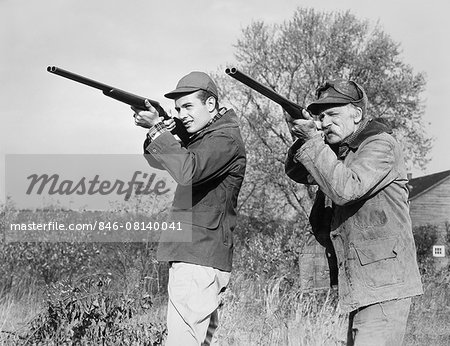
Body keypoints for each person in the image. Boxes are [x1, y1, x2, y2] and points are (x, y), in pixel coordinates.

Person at [284, 79, 423, 345]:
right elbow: (297, 171)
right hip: (366, 284)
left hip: (384, 285)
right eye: (320, 116)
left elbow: (345, 189)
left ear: (357, 114)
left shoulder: (380, 145)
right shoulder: (341, 151)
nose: (324, 122)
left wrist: (313, 141)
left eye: (333, 114)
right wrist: (302, 138)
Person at [132, 71, 246, 346]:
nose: (181, 114)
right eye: (178, 108)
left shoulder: (224, 139)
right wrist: (162, 131)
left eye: (188, 107)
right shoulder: (208, 136)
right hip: (200, 254)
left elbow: (187, 171)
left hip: (198, 256)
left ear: (210, 105)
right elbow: (158, 161)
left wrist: (158, 129)